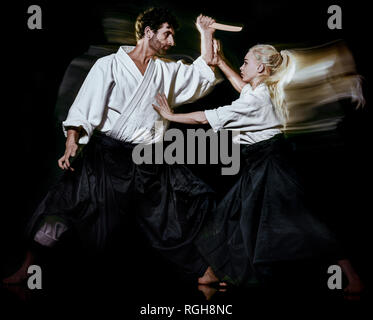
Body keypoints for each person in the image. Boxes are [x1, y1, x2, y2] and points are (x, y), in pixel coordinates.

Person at [3, 9, 222, 284]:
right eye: (167, 34)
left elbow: (202, 73)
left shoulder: (166, 70)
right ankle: (27, 270)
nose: (171, 42)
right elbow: (84, 108)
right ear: (148, 32)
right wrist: (72, 142)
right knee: (63, 209)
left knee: (166, 217)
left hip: (147, 160)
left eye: (173, 36)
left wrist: (206, 33)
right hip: (106, 156)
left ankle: (203, 272)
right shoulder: (108, 65)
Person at [153, 42, 365, 295]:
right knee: (231, 216)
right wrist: (221, 62)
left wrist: (170, 115)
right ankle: (214, 272)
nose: (241, 67)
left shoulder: (260, 99)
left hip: (272, 165)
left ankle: (352, 277)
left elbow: (205, 117)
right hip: (260, 163)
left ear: (261, 67)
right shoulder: (261, 90)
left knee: (303, 223)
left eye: (245, 63)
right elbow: (243, 89)